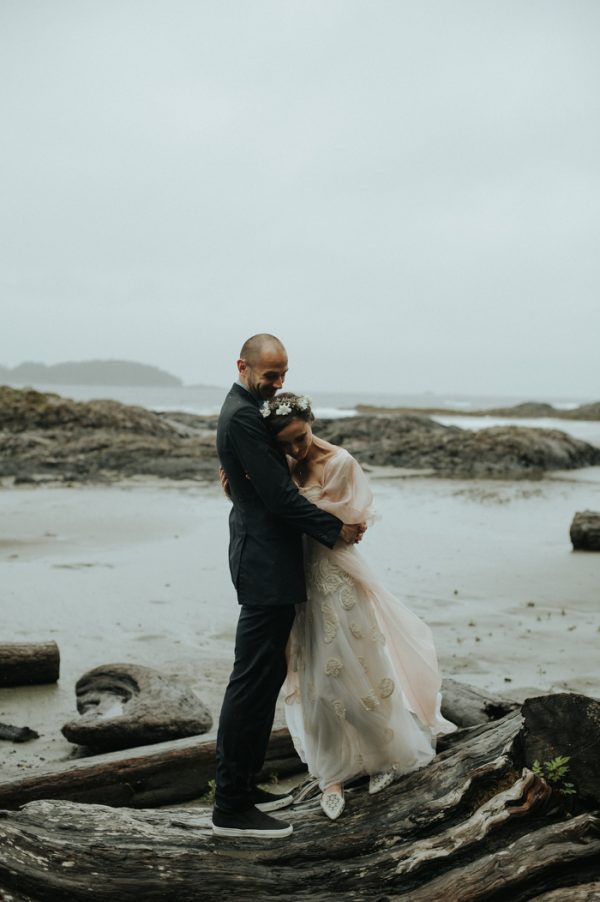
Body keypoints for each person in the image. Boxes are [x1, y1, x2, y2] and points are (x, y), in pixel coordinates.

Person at [261, 392, 456, 820]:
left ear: (311, 421)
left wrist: (291, 510)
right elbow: (293, 516)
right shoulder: (283, 465)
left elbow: (344, 530)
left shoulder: (341, 463)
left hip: (336, 578)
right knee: (315, 679)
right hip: (299, 583)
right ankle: (330, 774)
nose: (296, 449)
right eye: (286, 443)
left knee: (361, 670)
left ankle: (382, 756)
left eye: (301, 437)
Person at [212, 335, 366, 838]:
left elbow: (262, 482)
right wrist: (334, 529)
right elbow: (279, 497)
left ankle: (245, 785)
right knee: (252, 682)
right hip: (264, 564)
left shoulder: (248, 412)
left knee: (265, 677)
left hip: (267, 560)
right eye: (270, 375)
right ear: (243, 366)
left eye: (282, 374)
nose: (278, 384)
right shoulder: (240, 416)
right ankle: (231, 806)